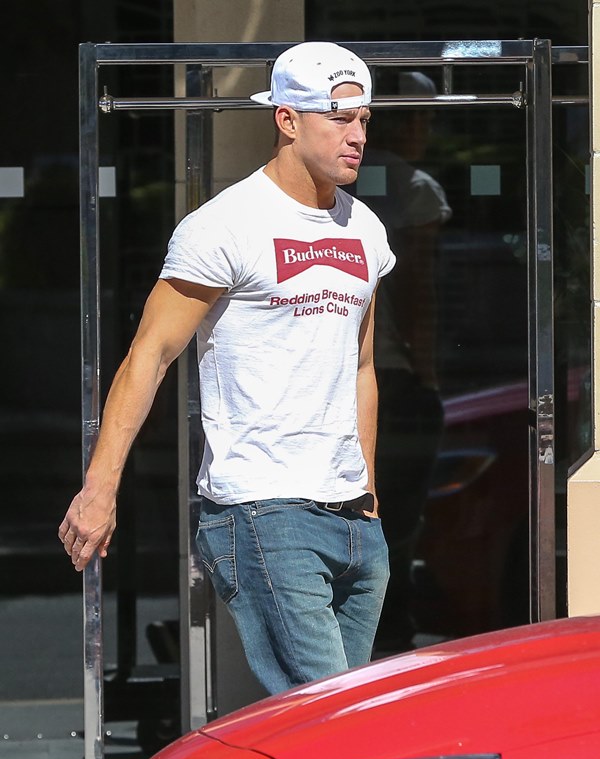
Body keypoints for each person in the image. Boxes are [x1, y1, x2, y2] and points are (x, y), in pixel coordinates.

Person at [58, 41, 396, 695]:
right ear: (287, 119)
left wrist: (370, 495)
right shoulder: (225, 226)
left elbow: (361, 366)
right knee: (328, 713)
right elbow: (150, 354)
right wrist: (100, 488)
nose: (357, 135)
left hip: (354, 518)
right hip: (264, 509)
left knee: (346, 723)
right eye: (338, 118)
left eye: (363, 119)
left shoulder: (365, 229)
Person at [348, 72, 451, 651]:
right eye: (423, 116)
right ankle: (390, 640)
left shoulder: (338, 181)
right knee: (398, 520)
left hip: (344, 374)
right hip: (392, 374)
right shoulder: (414, 187)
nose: (426, 129)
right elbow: (418, 291)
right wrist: (429, 374)